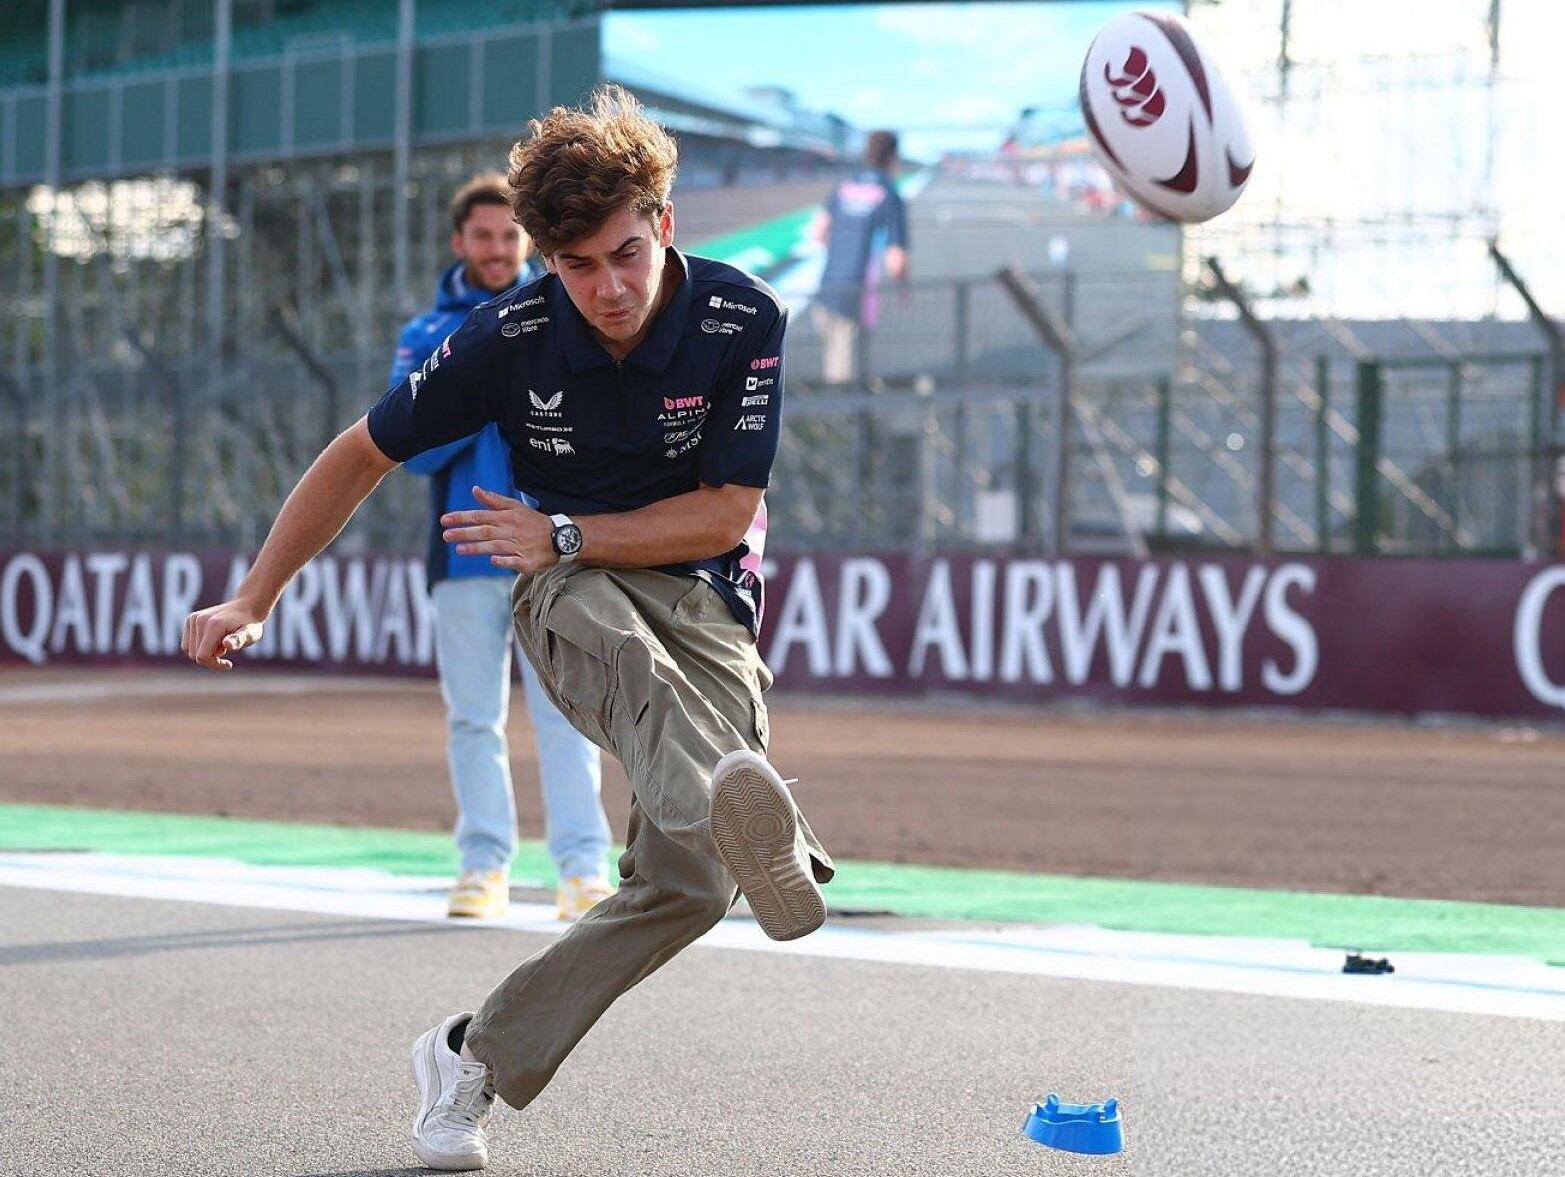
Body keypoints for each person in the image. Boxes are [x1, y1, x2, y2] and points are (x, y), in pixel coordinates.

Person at [181, 85, 834, 1172]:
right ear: (542, 260)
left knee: (685, 889)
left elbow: (725, 509)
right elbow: (359, 455)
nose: (608, 288)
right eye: (576, 266)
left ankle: (467, 1056)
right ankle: (753, 822)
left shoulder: (741, 318)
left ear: (663, 222)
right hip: (562, 594)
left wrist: (569, 530)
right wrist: (257, 593)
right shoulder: (509, 335)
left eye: (625, 253)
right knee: (619, 651)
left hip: (698, 600)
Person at [391, 173, 613, 923]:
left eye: (507, 236)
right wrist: (483, 384)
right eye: (482, 236)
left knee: (566, 716)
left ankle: (583, 871)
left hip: (551, 553)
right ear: (460, 242)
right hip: (459, 558)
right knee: (471, 717)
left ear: (527, 241)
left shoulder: (563, 317)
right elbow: (411, 453)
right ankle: (482, 865)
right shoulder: (426, 334)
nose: (495, 248)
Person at [811, 129, 910, 384]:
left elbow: (818, 231)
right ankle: (837, 421)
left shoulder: (846, 185)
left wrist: (842, 250)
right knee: (845, 378)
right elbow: (896, 259)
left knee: (830, 364)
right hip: (858, 293)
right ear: (893, 156)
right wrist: (902, 288)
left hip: (827, 286)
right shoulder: (889, 193)